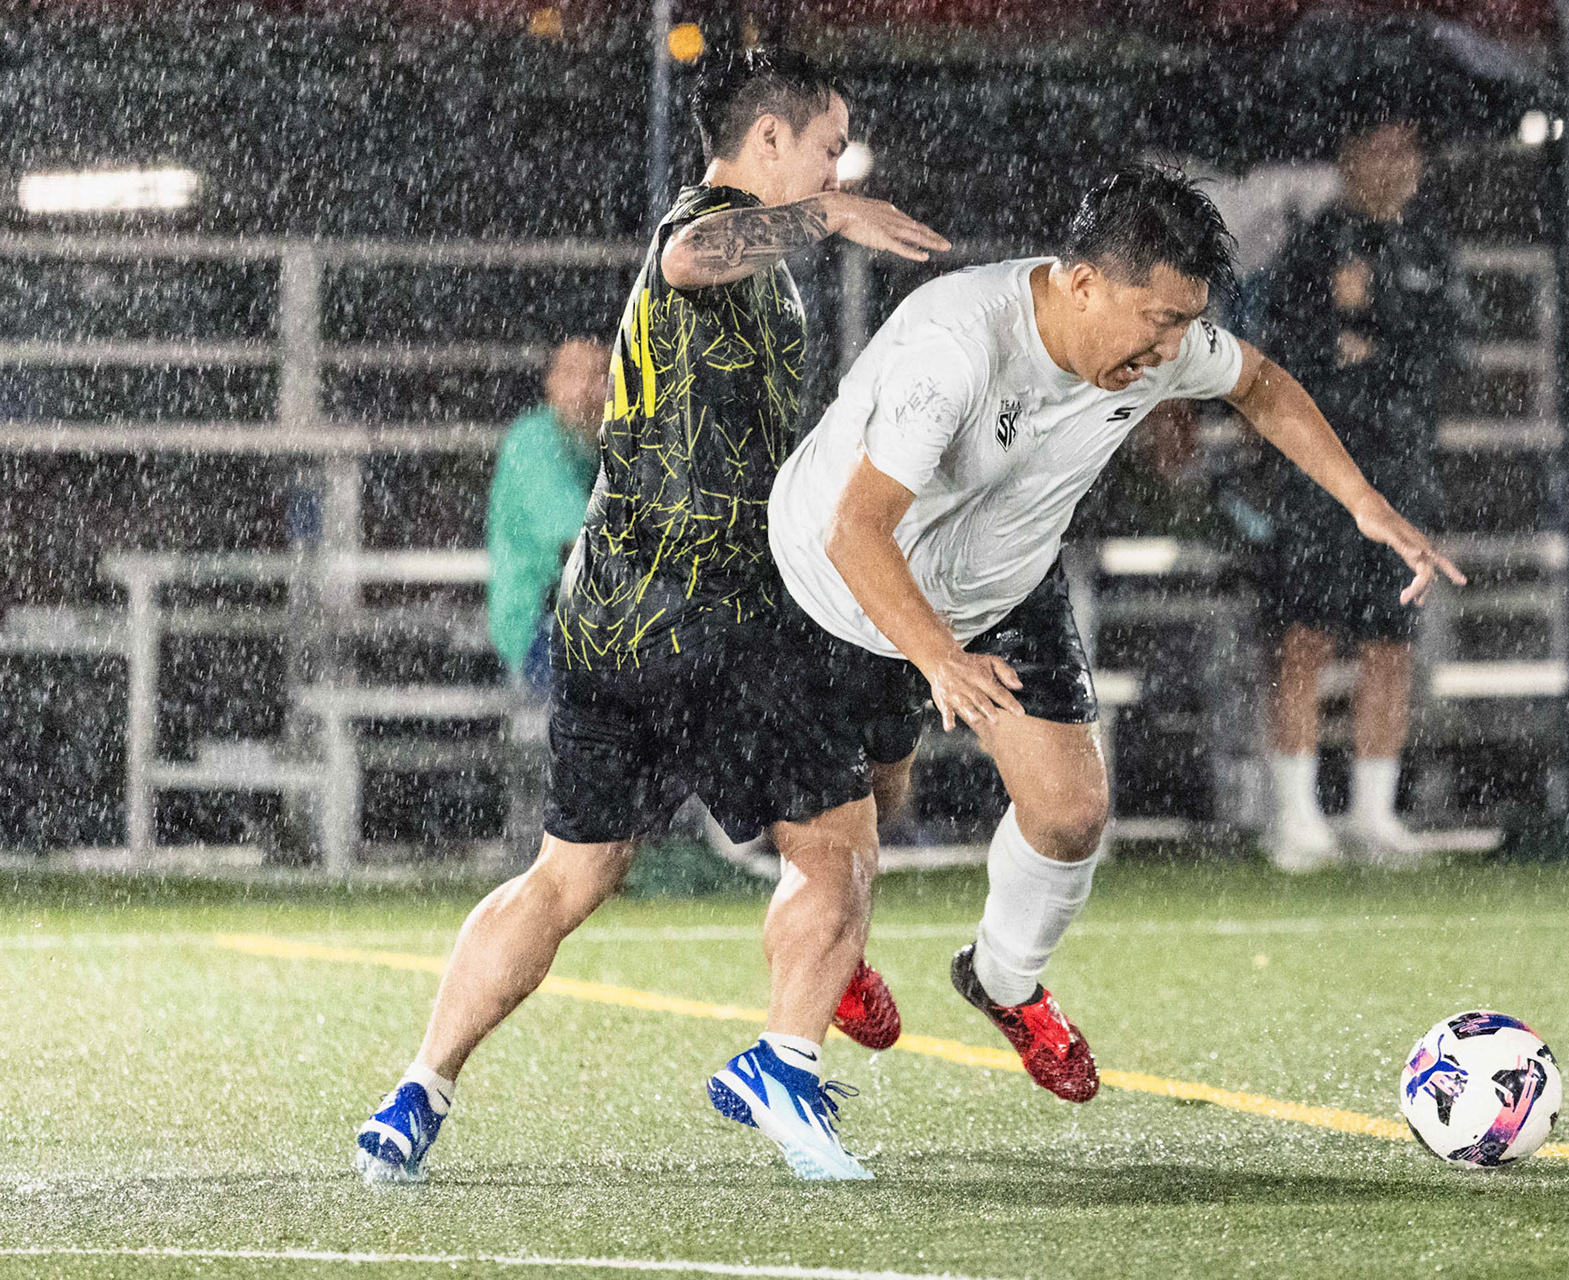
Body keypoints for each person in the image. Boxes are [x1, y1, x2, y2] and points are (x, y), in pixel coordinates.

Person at [704, 165, 1462, 1178]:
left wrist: (1362, 501)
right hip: (835, 590)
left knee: (1070, 813)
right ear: (1082, 284)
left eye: (1185, 324)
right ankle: (818, 990)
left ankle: (1002, 980)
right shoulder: (955, 348)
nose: (1170, 351)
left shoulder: (1154, 338)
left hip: (1000, 587)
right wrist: (937, 658)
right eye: (1158, 322)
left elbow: (1261, 384)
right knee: (850, 840)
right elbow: (857, 530)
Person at [352, 47, 949, 1186]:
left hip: (608, 619)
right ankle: (785, 1062)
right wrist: (829, 215)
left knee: (567, 878)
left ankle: (417, 1089)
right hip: (715, 620)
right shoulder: (712, 227)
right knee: (840, 842)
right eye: (828, 148)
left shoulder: (757, 265)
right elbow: (686, 255)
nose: (838, 168)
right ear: (768, 139)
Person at [1223, 118, 1468, 871]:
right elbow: (1288, 354)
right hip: (1320, 471)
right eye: (1380, 150)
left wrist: (1373, 313)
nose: (1396, 165)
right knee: (1304, 633)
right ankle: (1295, 815)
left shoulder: (1430, 246)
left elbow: (1449, 349)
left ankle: (1373, 814)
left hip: (1402, 467)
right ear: (1349, 158)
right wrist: (1350, 332)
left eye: (1407, 151)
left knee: (1391, 639)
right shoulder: (1311, 244)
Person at [486, 338, 608, 691]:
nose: (586, 388)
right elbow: (579, 544)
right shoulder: (534, 442)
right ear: (550, 385)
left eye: (599, 375)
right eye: (573, 374)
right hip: (540, 625)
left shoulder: (604, 444)